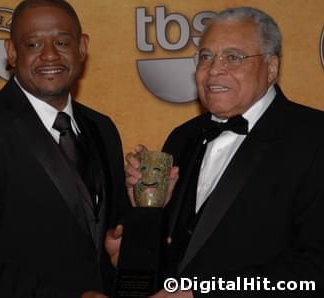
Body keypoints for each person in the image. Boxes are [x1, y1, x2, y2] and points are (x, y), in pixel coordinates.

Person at [113, 6, 324, 297]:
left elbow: (314, 270)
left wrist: (205, 293)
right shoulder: (182, 137)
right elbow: (180, 254)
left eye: (233, 57)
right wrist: (140, 238)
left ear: (271, 67)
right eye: (206, 57)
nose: (214, 70)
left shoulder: (314, 137)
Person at [0, 0, 126, 297]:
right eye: (33, 44)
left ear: (82, 47)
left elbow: (104, 243)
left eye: (61, 42)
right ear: (11, 52)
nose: (49, 55)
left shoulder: (103, 129)